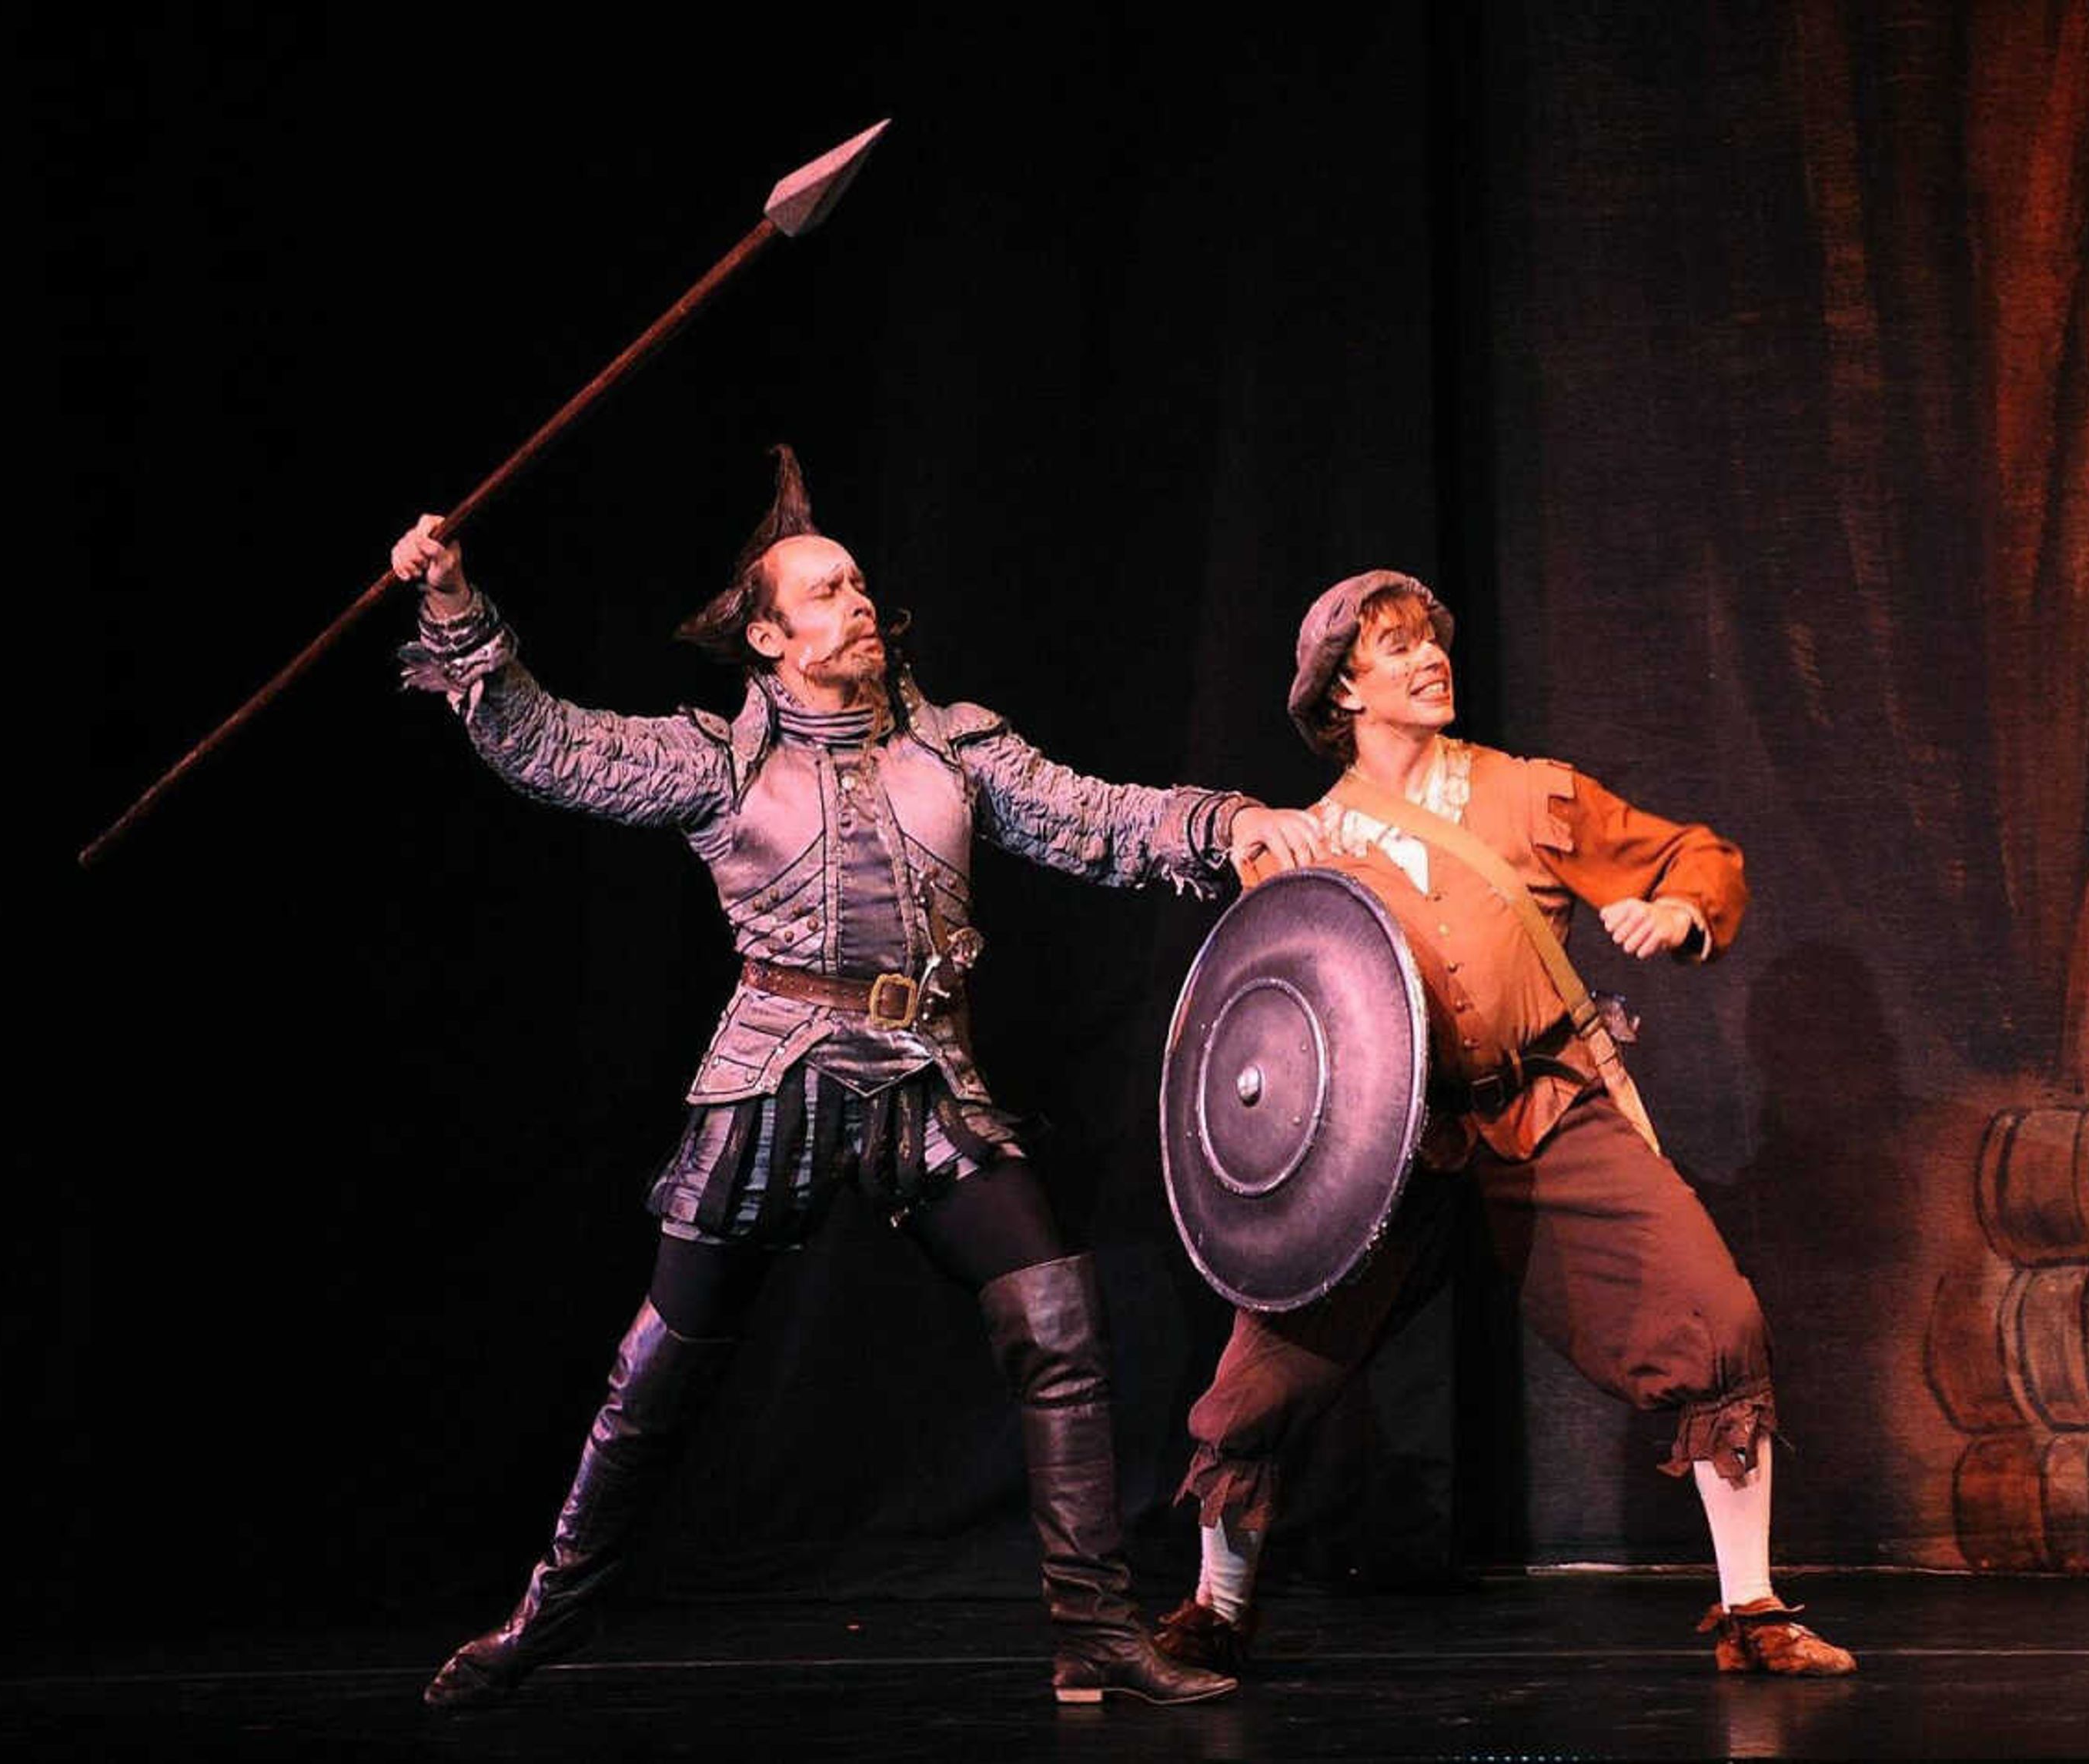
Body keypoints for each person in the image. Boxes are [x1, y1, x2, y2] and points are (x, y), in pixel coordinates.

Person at [390, 446, 1323, 1709]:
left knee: (1056, 1316)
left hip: (925, 1079)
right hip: (772, 1080)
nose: (858, 603)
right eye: (825, 592)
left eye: (860, 584)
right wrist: (453, 602)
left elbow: (1091, 816)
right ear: (769, 637)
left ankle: (1093, 1629)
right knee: (659, 1374)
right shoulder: (715, 762)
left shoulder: (956, 751)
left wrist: (1223, 826)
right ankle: (548, 1617)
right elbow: (544, 744)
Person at [1155, 569, 1856, 1678]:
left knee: (1712, 1315)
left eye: (1429, 640)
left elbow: (1695, 855)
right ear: (1343, 690)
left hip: (1540, 1114)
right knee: (1254, 1385)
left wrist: (1678, 911)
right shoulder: (1299, 847)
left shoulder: (1529, 798)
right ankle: (1217, 1608)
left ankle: (1754, 1612)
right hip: (1377, 1155)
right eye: (1393, 648)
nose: (1429, 658)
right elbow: (1260, 1031)